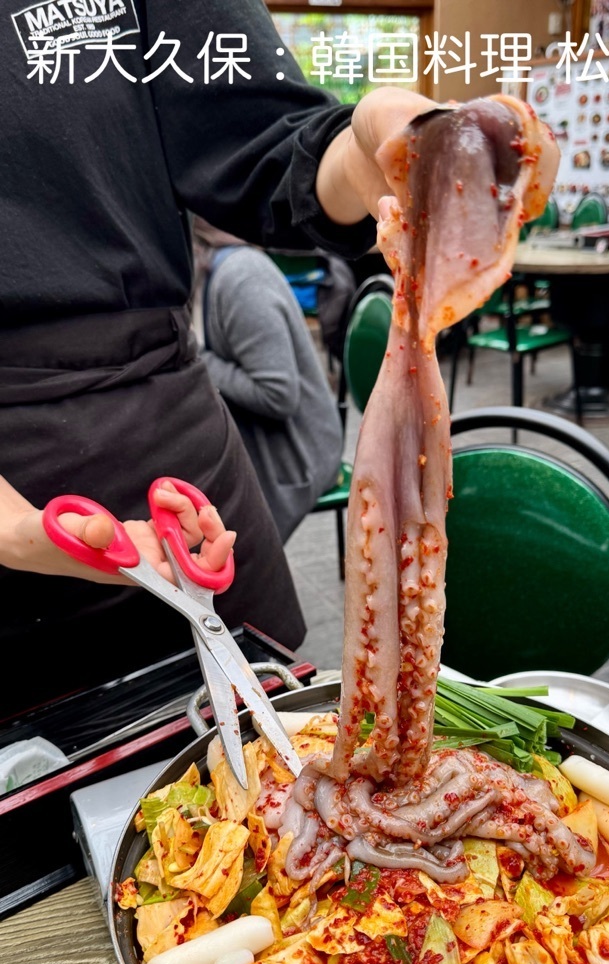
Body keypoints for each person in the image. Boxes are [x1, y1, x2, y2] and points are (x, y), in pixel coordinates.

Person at [0, 0, 435, 711]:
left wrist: (362, 150)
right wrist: (15, 531)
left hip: (178, 459)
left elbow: (260, 140)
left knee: (280, 732)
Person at [193, 219, 344, 543]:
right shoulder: (213, 273)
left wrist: (197, 358)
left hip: (302, 454)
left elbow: (278, 395)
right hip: (267, 444)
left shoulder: (241, 279)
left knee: (208, 531)